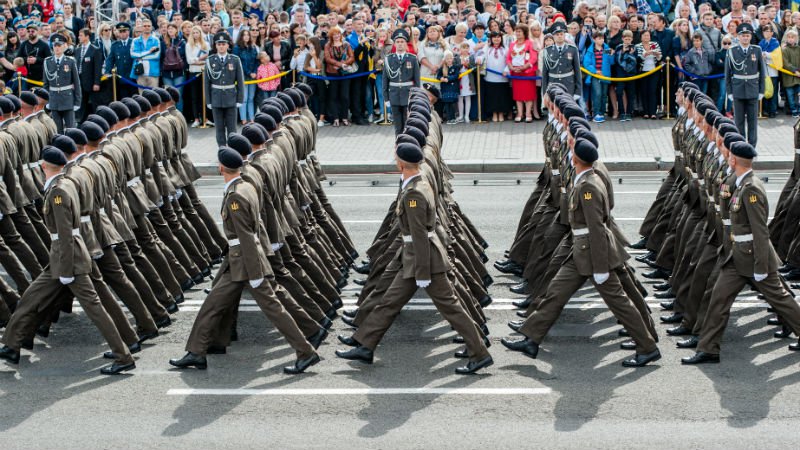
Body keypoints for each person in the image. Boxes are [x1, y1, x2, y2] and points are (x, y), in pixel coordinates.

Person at [501, 136, 662, 368]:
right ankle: (531, 339)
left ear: (577, 158)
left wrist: (599, 268)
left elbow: (596, 228)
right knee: (555, 292)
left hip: (594, 254)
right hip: (580, 251)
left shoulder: (588, 186)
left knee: (620, 303)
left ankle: (647, 347)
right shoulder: (585, 178)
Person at [335, 141, 494, 375]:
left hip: (425, 261)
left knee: (452, 308)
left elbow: (419, 235)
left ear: (401, 163)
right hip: (413, 257)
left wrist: (422, 273)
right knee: (389, 301)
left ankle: (480, 354)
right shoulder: (417, 183)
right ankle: (365, 345)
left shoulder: (414, 194)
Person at [169, 147, 321, 374]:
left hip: (247, 263)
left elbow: (247, 237)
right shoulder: (244, 186)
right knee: (213, 304)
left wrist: (257, 272)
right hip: (240, 260)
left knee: (274, 308)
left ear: (221, 168)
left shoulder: (236, 197)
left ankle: (306, 352)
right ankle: (196, 351)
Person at [0, 146, 136, 375]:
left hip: (69, 258)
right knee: (31, 298)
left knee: (94, 308)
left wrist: (65, 269)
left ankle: (123, 356)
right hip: (62, 256)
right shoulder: (65, 183)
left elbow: (64, 233)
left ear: (44, 166)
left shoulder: (58, 192)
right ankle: (11, 345)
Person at [682, 140, 800, 364]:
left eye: (730, 156)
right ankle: (708, 349)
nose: (727, 158)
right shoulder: (738, 182)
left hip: (754, 258)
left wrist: (761, 266)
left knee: (782, 300)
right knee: (719, 299)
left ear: (734, 159)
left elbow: (760, 231)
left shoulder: (751, 188)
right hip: (736, 258)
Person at [724, 22, 766, 147]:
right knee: (739, 121)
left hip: (753, 89)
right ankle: (741, 145)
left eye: (747, 35)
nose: (745, 38)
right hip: (738, 90)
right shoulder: (732, 51)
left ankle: (752, 146)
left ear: (751, 36)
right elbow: (727, 74)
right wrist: (729, 92)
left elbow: (762, 72)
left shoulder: (757, 50)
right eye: (743, 35)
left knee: (753, 121)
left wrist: (761, 90)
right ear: (738, 37)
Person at [204, 32, 245, 146]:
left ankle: (233, 150)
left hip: (231, 98)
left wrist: (240, 99)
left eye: (223, 44)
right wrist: (208, 101)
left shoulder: (235, 60)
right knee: (219, 129)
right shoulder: (210, 60)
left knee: (232, 128)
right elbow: (206, 83)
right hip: (216, 98)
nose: (221, 46)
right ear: (215, 46)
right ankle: (222, 150)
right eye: (219, 44)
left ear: (228, 45)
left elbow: (240, 82)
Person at [382, 28, 420, 134]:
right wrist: (386, 98)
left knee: (408, 123)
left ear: (406, 43)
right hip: (394, 95)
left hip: (408, 95)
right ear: (394, 44)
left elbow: (416, 80)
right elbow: (385, 81)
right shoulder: (389, 59)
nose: (400, 44)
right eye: (397, 42)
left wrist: (416, 97)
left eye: (402, 42)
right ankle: (398, 145)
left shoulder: (412, 58)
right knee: (398, 126)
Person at [43, 34, 80, 133]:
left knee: (71, 129)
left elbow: (76, 83)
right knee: (57, 129)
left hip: (67, 98)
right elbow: (46, 84)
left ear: (64, 46)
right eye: (55, 45)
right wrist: (47, 101)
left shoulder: (70, 61)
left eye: (59, 45)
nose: (57, 48)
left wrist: (77, 102)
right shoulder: (47, 62)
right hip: (54, 99)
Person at [541, 22, 582, 103]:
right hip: (553, 85)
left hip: (568, 85)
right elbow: (545, 73)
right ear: (553, 36)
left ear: (564, 35)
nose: (559, 36)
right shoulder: (547, 51)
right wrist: (544, 92)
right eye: (557, 34)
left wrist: (578, 91)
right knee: (554, 110)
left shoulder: (572, 49)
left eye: (561, 34)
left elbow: (577, 71)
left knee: (567, 110)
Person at [507, 24, 538, 122]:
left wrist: (525, 67)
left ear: (524, 33)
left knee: (528, 94)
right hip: (516, 73)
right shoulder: (512, 44)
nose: (517, 33)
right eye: (516, 31)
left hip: (527, 73)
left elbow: (533, 57)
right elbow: (508, 58)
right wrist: (511, 67)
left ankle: (528, 113)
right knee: (518, 94)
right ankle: (520, 113)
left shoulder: (530, 43)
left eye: (519, 31)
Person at [324, 26, 355, 127]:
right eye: (334, 34)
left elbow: (352, 57)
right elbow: (327, 58)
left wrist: (344, 64)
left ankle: (344, 117)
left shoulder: (346, 44)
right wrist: (339, 64)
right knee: (333, 96)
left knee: (345, 96)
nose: (336, 36)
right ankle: (335, 118)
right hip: (332, 73)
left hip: (345, 74)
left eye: (338, 34)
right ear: (331, 36)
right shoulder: (328, 45)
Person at [75, 28, 102, 123]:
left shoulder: (95, 50)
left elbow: (97, 68)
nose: (79, 37)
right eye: (79, 35)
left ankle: (98, 121)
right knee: (81, 103)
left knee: (94, 104)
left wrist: (96, 83)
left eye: (81, 35)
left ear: (87, 36)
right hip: (79, 82)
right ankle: (80, 122)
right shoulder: (77, 50)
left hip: (91, 82)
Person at [185, 25, 210, 127]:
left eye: (197, 32)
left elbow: (207, 58)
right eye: (194, 33)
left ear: (200, 33)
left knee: (204, 96)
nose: (195, 34)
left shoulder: (206, 44)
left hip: (203, 72)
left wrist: (197, 61)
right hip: (193, 72)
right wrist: (199, 60)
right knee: (195, 96)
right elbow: (189, 61)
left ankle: (206, 118)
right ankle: (196, 118)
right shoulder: (188, 45)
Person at [484, 30, 512, 122]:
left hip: (502, 78)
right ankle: (494, 113)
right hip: (490, 78)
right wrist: (479, 59)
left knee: (502, 96)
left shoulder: (505, 49)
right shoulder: (487, 48)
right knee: (492, 97)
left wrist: (506, 70)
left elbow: (509, 61)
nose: (496, 39)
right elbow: (481, 56)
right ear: (491, 39)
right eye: (494, 37)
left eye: (498, 37)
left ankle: (501, 113)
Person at [635, 29, 663, 119]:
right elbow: (638, 59)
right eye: (644, 35)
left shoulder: (654, 44)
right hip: (642, 72)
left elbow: (659, 58)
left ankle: (653, 112)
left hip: (654, 71)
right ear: (641, 37)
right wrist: (645, 54)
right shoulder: (638, 46)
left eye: (648, 35)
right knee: (644, 91)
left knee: (652, 91)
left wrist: (656, 54)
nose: (647, 37)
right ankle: (646, 112)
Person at [233, 29, 259, 125]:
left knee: (251, 98)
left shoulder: (253, 47)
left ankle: (251, 118)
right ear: (241, 36)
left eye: (248, 35)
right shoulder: (237, 48)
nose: (246, 36)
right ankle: (243, 118)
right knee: (244, 98)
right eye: (244, 35)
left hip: (253, 76)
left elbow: (257, 61)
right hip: (243, 76)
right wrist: (249, 73)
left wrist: (255, 72)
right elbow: (238, 63)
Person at [161, 23, 187, 112]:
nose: (170, 30)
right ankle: (170, 118)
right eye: (169, 28)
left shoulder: (182, 42)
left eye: (173, 28)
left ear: (177, 30)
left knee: (178, 96)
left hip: (179, 73)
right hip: (166, 74)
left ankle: (179, 117)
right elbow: (161, 57)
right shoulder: (163, 42)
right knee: (168, 97)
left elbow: (185, 56)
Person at [130, 19, 161, 90]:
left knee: (154, 97)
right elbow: (133, 54)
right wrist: (149, 52)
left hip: (153, 73)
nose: (147, 27)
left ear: (151, 27)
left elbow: (156, 56)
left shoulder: (156, 40)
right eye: (145, 26)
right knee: (142, 98)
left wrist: (141, 56)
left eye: (148, 26)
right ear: (141, 28)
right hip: (140, 73)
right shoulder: (135, 40)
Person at [758, 25, 780, 118]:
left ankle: (773, 110)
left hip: (773, 71)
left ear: (772, 33)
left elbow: (776, 55)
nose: (767, 33)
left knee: (773, 92)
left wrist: (765, 54)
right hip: (764, 71)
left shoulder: (775, 42)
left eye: (768, 31)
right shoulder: (761, 43)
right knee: (765, 91)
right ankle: (765, 110)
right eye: (765, 31)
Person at [781, 29, 800, 118]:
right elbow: (786, 63)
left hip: (798, 77)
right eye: (789, 37)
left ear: (796, 39)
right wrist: (795, 70)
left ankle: (798, 109)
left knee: (798, 95)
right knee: (790, 96)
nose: (790, 39)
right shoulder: (785, 50)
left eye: (792, 37)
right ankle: (793, 110)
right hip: (788, 77)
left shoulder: (799, 49)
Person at [437, 50, 460, 124]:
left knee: (453, 103)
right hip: (445, 88)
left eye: (450, 58)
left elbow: (456, 76)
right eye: (447, 58)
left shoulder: (455, 67)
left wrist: (448, 79)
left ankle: (453, 118)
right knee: (447, 104)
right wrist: (441, 78)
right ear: (445, 60)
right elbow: (438, 76)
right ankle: (449, 118)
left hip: (452, 88)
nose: (449, 60)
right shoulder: (442, 68)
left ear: (452, 59)